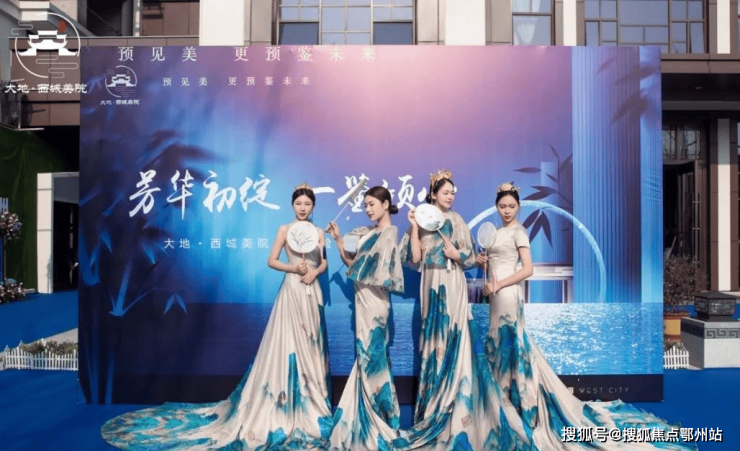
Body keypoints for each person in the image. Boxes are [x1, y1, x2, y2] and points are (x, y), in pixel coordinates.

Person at [101, 182, 333, 450]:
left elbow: (324, 262)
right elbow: (272, 260)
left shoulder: (318, 232)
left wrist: (315, 271)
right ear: (292, 205)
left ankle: (311, 402)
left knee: (310, 343)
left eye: (307, 204)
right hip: (292, 290)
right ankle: (283, 400)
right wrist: (294, 268)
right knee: (288, 343)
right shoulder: (284, 229)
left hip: (311, 291)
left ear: (313, 206)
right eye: (298, 204)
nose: (303, 208)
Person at [476, 181, 696, 450]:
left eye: (511, 206)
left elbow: (528, 269)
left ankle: (522, 408)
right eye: (502, 206)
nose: (507, 210)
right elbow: (495, 263)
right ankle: (501, 407)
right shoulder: (496, 233)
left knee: (514, 346)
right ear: (496, 207)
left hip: (509, 296)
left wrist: (499, 284)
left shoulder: (519, 231)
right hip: (495, 298)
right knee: (498, 347)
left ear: (518, 207)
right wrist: (483, 264)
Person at [396, 171, 531, 451]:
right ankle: (434, 408)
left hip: (454, 282)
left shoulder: (457, 220)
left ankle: (459, 402)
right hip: (431, 283)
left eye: (452, 192)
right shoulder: (422, 218)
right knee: (433, 340)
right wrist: (414, 228)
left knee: (455, 339)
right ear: (433, 194)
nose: (450, 196)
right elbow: (414, 258)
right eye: (445, 192)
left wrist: (458, 256)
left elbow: (469, 258)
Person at [327, 186, 405, 451]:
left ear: (386, 204)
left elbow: (363, 269)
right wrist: (339, 239)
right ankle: (367, 416)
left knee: (373, 358)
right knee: (366, 356)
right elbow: (353, 264)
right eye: (366, 205)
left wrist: (350, 249)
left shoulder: (388, 233)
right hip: (362, 300)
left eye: (372, 204)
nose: (368, 209)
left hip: (375, 304)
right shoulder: (369, 232)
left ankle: (380, 418)